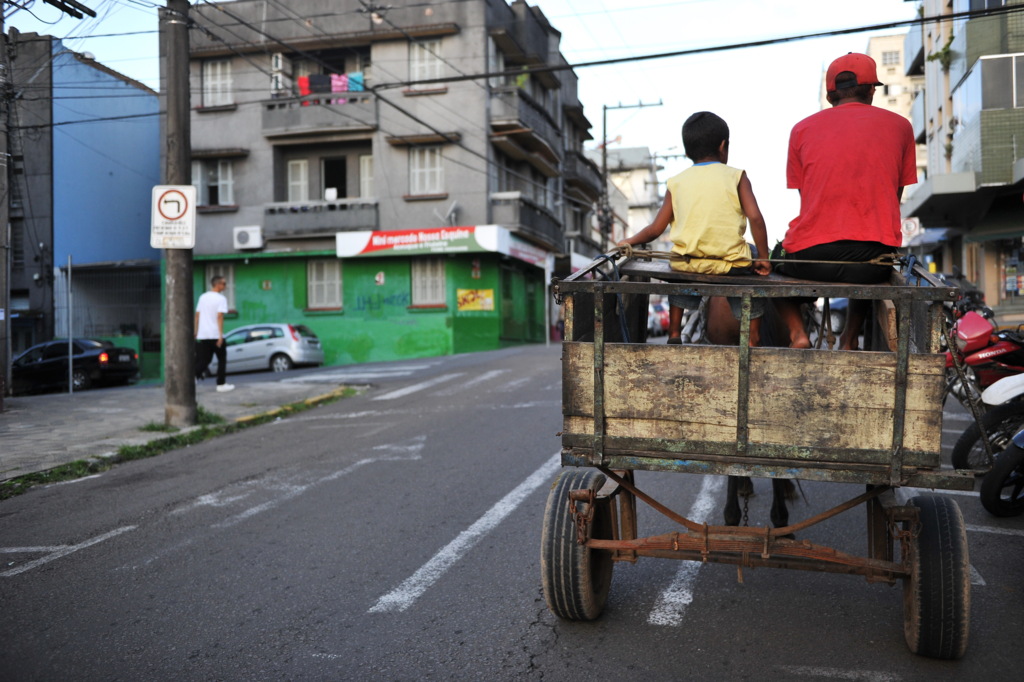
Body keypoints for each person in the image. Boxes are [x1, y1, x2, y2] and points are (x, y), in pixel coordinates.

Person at [775, 52, 918, 349]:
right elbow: (894, 197)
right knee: (869, 259)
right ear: (871, 90)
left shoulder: (801, 129)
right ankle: (850, 337)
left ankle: (797, 333)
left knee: (775, 258)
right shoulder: (901, 127)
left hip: (811, 259)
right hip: (873, 263)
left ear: (830, 95)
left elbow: (807, 199)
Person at [617, 111, 771, 346]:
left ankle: (674, 332)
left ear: (687, 152)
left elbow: (656, 229)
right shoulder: (737, 176)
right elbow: (756, 219)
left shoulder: (676, 182)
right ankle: (753, 337)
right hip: (731, 263)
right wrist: (763, 257)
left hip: (688, 262)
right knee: (752, 273)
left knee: (677, 272)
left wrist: (629, 241)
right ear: (723, 146)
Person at [195, 275, 234, 392]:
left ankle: (193, 377)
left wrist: (196, 331)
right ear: (217, 285)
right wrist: (220, 335)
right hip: (215, 334)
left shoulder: (202, 297)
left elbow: (197, 315)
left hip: (203, 335)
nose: (226, 286)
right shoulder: (221, 299)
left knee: (205, 360)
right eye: (224, 284)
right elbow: (220, 316)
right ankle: (221, 384)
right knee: (222, 359)